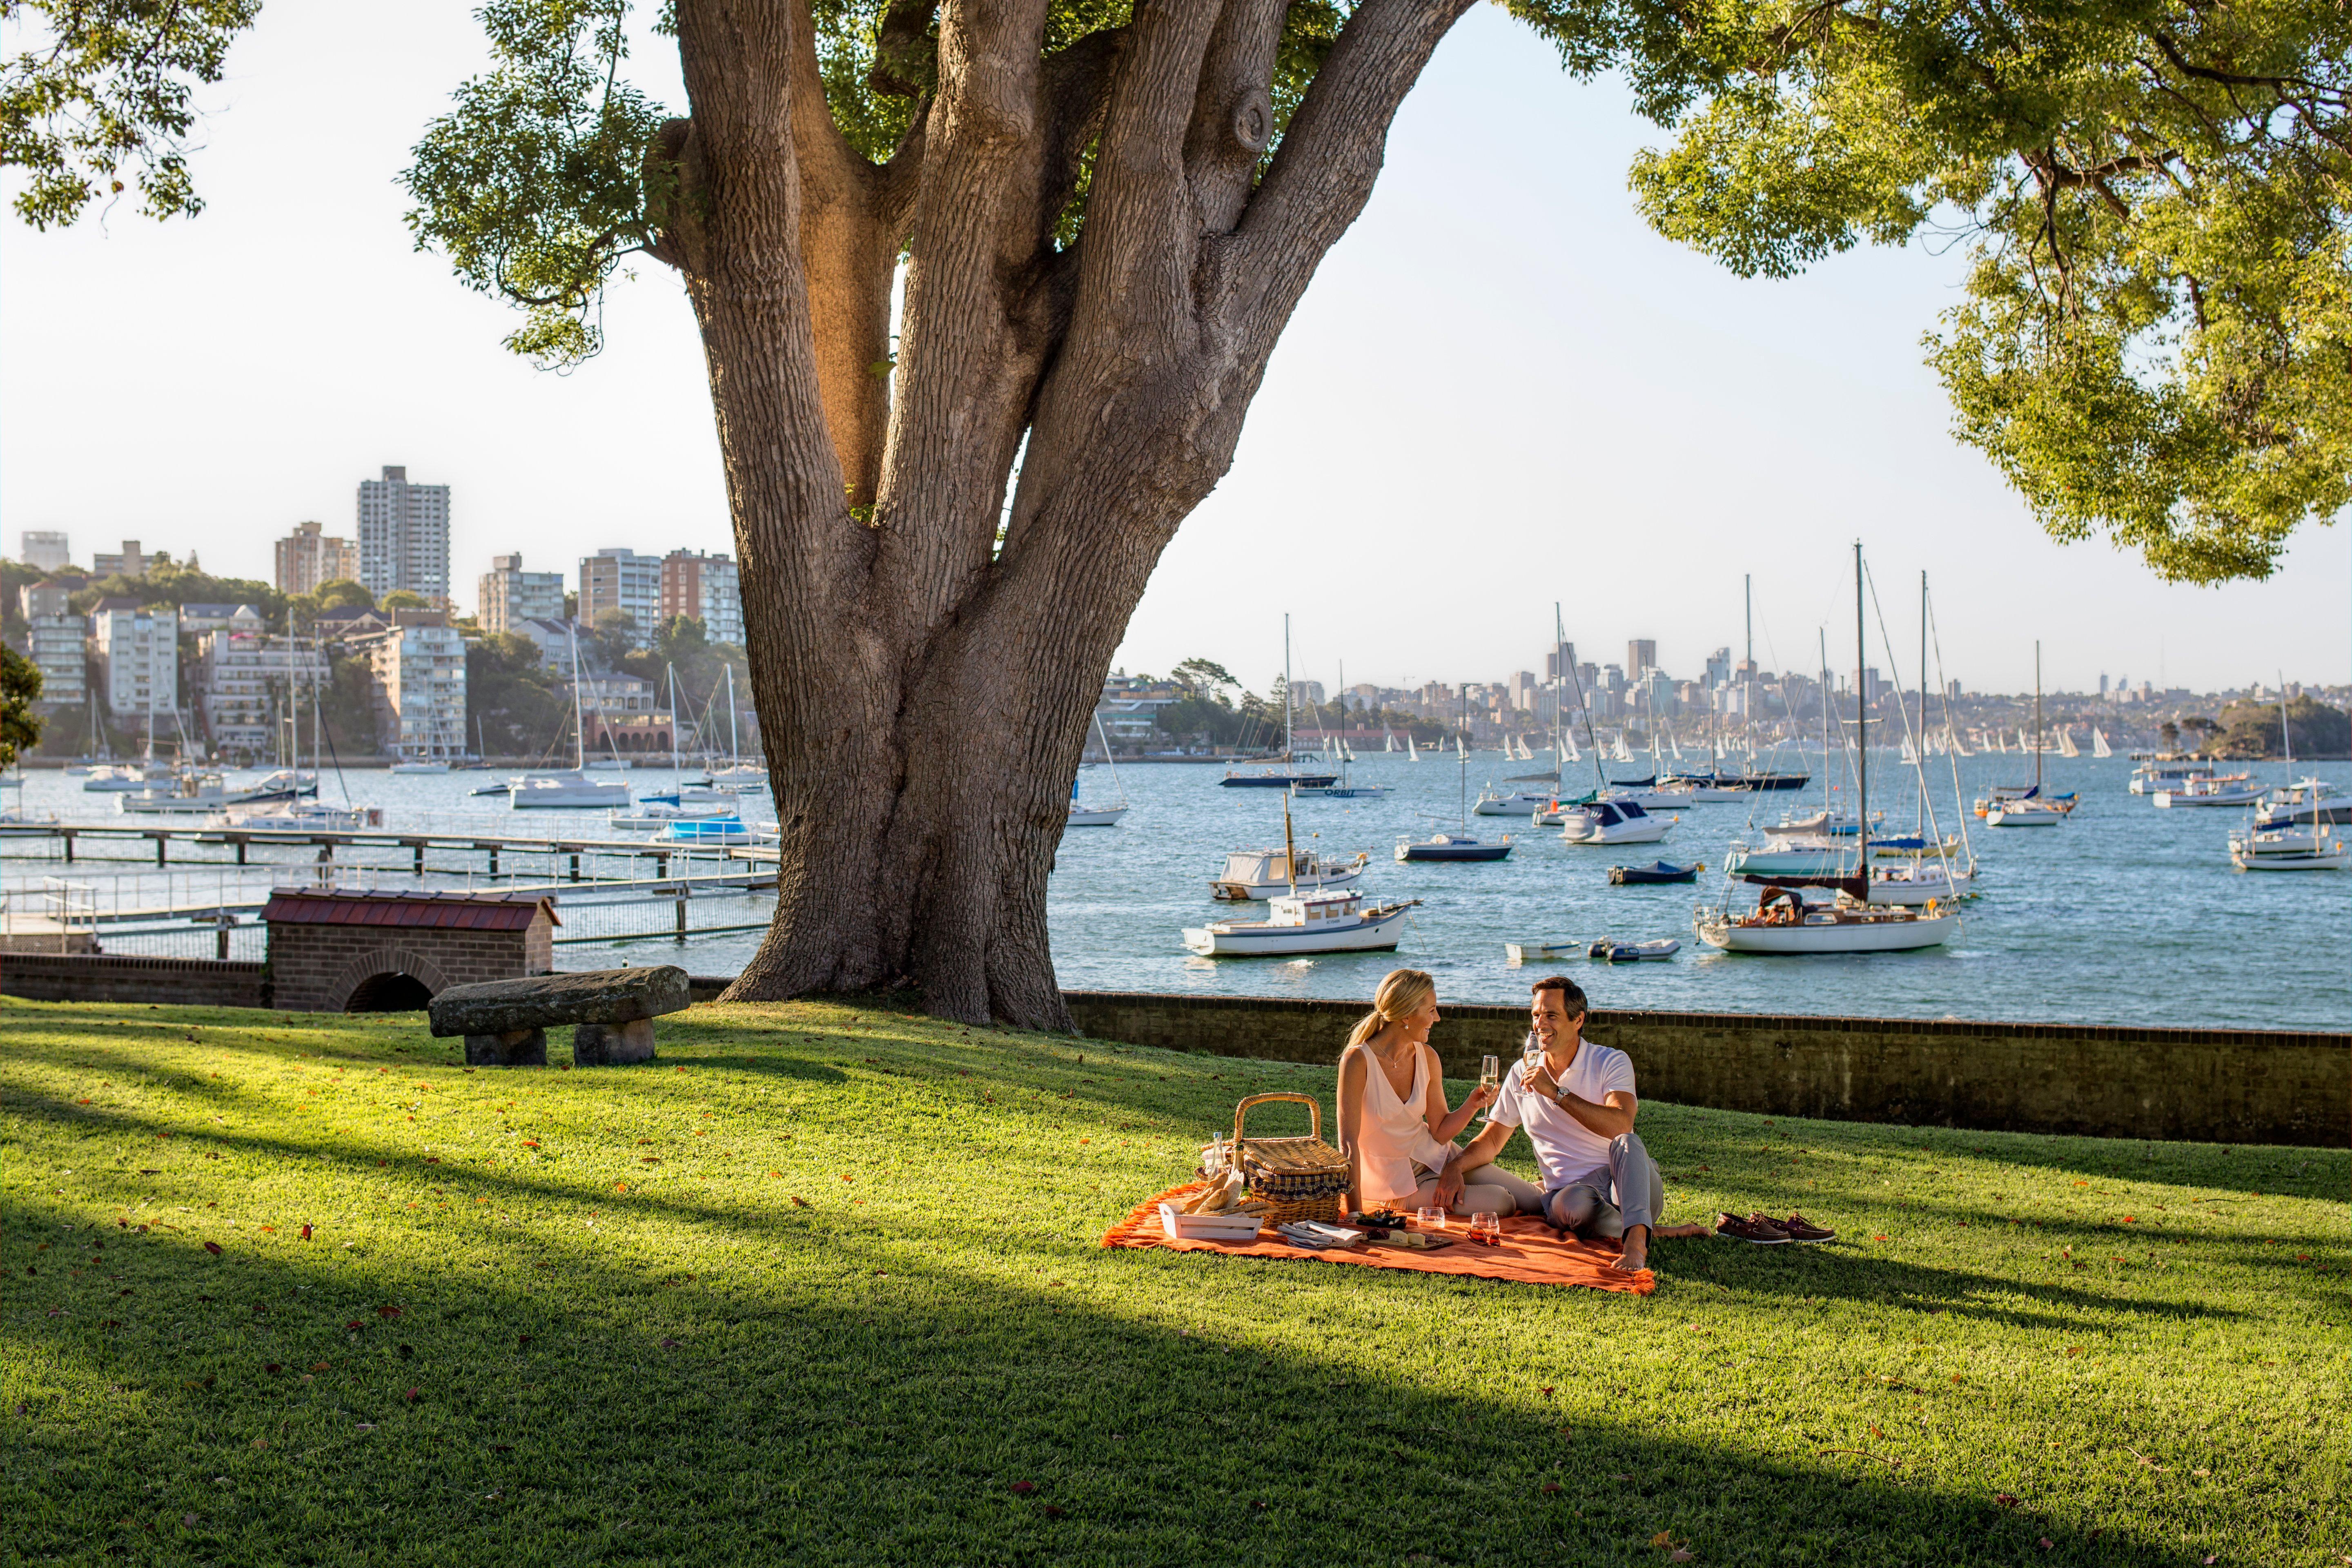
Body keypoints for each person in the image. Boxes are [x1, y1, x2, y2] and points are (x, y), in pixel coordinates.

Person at [1443, 975, 1708, 1272]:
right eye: (1536, 1015)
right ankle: (1644, 1226)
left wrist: (1557, 1094)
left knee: (1627, 1141)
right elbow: (1492, 1140)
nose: (1540, 1024)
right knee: (1570, 1204)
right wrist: (1455, 1166)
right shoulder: (1522, 1071)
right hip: (1574, 1198)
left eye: (1551, 1015)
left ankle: (1636, 1242)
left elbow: (1621, 1123)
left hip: (1630, 1182)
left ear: (1578, 1020)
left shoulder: (1610, 1061)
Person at [1334, 969, 1509, 1218]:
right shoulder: (1358, 1061)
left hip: (1439, 1157)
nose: (1437, 1018)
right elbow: (1348, 1143)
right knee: (1503, 1201)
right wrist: (1355, 1214)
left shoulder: (1427, 1056)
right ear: (1407, 1014)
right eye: (1431, 1010)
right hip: (1396, 1185)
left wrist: (1472, 1104)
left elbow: (1439, 1131)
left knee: (1532, 1199)